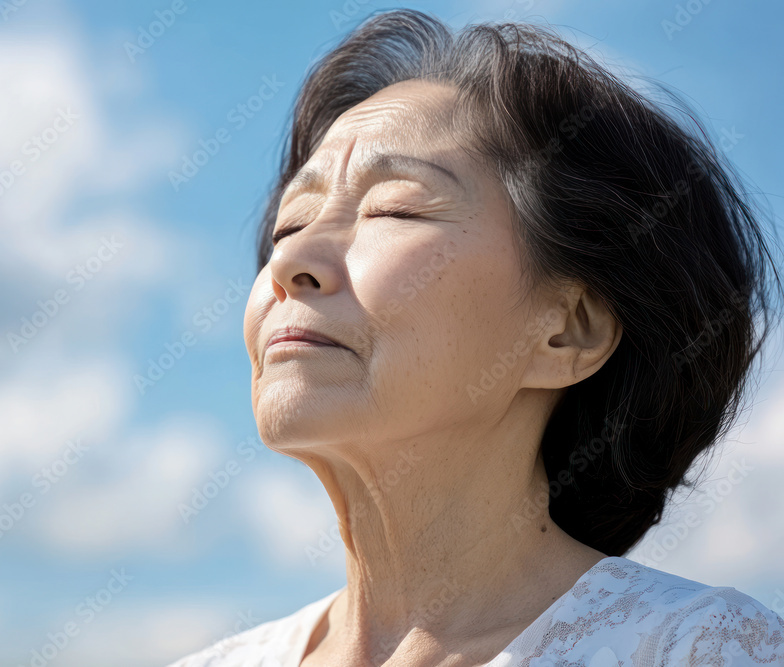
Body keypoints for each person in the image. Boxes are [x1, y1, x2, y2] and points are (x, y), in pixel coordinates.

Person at [169, 8, 784, 666]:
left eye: (395, 207)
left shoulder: (698, 648)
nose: (291, 263)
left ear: (567, 330)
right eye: (291, 223)